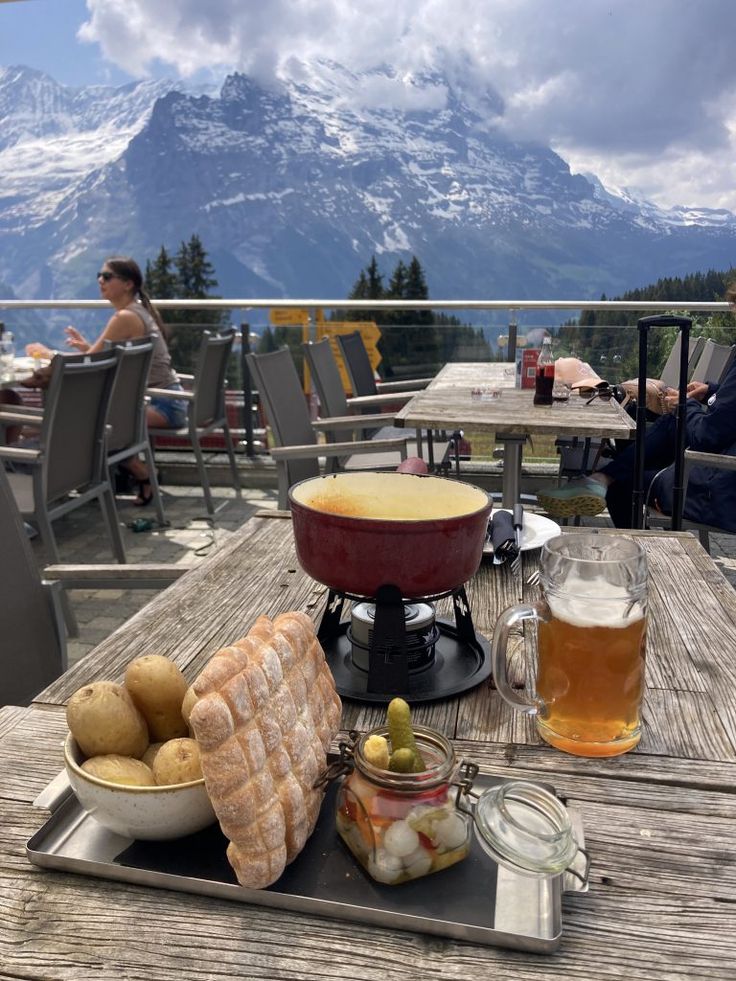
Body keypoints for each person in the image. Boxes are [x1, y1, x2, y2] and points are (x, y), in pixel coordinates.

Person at [538, 288, 736, 530]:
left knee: (622, 485)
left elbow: (709, 435)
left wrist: (686, 407)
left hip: (718, 493)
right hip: (720, 472)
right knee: (664, 421)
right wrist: (711, 391)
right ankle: (600, 478)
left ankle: (643, 553)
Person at [64, 256, 187, 505]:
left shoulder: (124, 318)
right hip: (169, 401)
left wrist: (49, 356)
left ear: (128, 284)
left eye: (107, 277)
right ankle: (104, 480)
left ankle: (140, 473)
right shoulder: (135, 312)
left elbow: (90, 363)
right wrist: (87, 349)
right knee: (92, 418)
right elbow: (98, 358)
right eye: (99, 275)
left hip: (163, 405)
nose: (100, 280)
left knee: (89, 423)